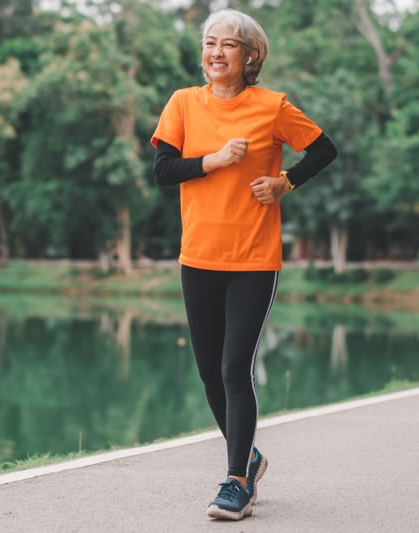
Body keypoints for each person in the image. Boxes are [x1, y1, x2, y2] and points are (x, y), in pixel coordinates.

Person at [150, 9, 338, 521]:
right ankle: (249, 456)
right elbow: (164, 170)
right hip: (199, 256)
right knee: (210, 371)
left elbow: (324, 149)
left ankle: (236, 482)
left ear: (250, 55)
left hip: (254, 259)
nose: (215, 52)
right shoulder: (184, 103)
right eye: (210, 43)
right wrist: (213, 160)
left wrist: (286, 182)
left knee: (236, 368)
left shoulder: (271, 106)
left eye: (227, 45)